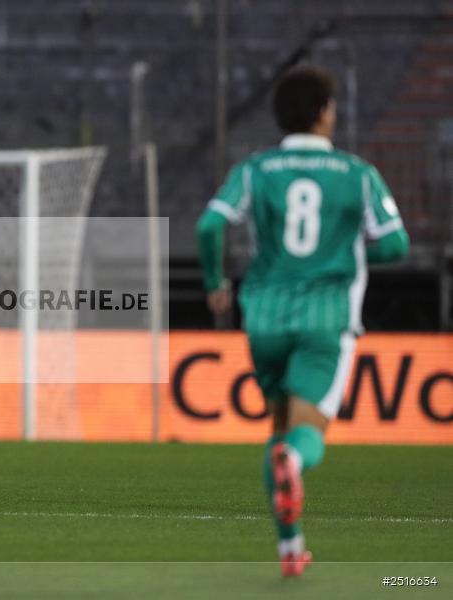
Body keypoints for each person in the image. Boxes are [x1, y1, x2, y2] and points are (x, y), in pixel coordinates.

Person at [195, 66, 410, 577]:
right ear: (323, 113)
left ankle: (291, 549)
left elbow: (210, 225)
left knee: (278, 427)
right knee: (305, 435)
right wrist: (344, 258)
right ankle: (295, 466)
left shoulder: (256, 169)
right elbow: (396, 244)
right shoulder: (357, 173)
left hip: (263, 315)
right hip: (324, 317)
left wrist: (215, 285)